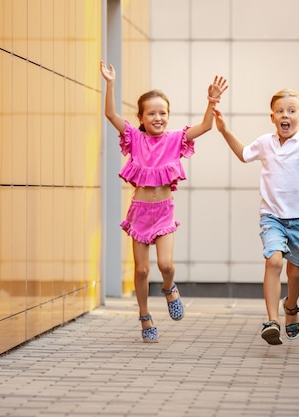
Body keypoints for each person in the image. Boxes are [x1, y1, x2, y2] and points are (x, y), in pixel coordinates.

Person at [100, 60, 227, 343]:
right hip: (139, 212)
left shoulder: (174, 139)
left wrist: (212, 100)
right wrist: (110, 84)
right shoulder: (134, 138)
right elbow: (110, 113)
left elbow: (206, 126)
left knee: (166, 265)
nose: (158, 118)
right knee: (142, 269)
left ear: (168, 115)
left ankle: (170, 289)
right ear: (141, 117)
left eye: (163, 113)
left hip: (164, 212)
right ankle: (145, 317)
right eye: (152, 113)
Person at [214, 89, 299, 345]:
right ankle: (271, 321)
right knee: (273, 262)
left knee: (295, 273)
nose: (286, 115)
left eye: (292, 111)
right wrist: (224, 130)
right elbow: (243, 155)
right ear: (272, 117)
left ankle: (291, 307)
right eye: (280, 111)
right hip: (272, 216)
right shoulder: (265, 142)